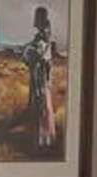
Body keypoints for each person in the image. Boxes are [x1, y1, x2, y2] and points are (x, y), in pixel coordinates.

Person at [20, 7, 58, 150]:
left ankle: (43, 140)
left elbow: (39, 54)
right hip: (39, 74)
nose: (34, 20)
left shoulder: (44, 36)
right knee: (40, 103)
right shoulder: (42, 35)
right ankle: (41, 139)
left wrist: (28, 52)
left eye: (36, 17)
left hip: (41, 76)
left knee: (41, 103)